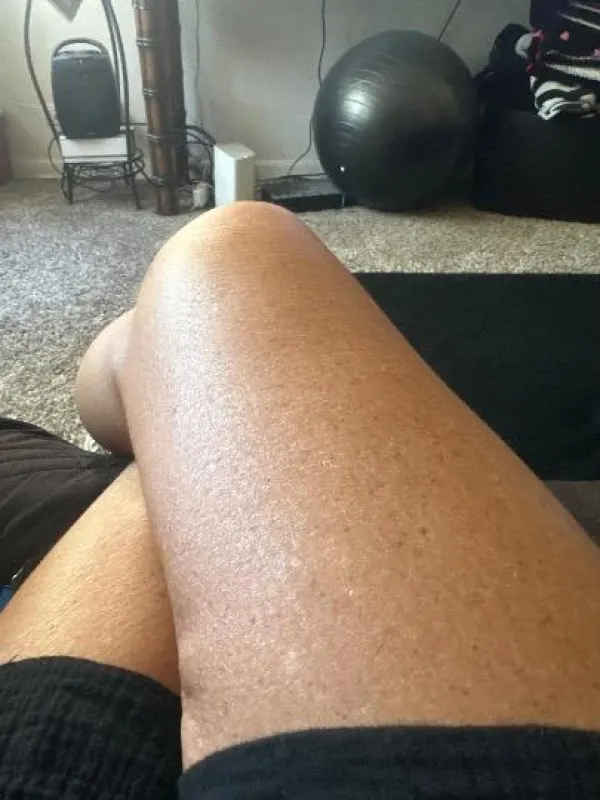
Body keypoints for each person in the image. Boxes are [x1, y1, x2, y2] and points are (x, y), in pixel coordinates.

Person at [0, 202, 599, 799]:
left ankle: (149, 360)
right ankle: (145, 355)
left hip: (43, 752)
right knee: (234, 249)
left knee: (200, 318)